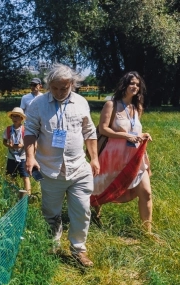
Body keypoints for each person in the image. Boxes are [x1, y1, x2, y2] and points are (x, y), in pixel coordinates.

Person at [24, 63, 99, 267]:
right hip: (50, 170)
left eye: (63, 88)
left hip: (79, 169)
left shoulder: (81, 102)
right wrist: (30, 157)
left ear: (72, 85)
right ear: (49, 85)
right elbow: (30, 131)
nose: (58, 92)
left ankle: (78, 250)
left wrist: (94, 158)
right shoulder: (38, 104)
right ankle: (52, 246)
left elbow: (89, 132)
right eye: (54, 88)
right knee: (51, 213)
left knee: (82, 210)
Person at [91, 71, 153, 233]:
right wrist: (126, 135)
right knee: (100, 189)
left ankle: (147, 232)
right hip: (112, 157)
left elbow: (135, 130)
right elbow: (103, 129)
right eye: (132, 83)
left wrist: (142, 137)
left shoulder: (137, 107)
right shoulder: (111, 104)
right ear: (124, 85)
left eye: (138, 85)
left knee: (146, 193)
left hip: (134, 157)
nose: (135, 87)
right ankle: (94, 213)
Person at [3, 107, 31, 199]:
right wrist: (9, 145)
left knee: (25, 177)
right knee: (11, 177)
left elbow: (29, 143)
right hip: (11, 157)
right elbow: (4, 141)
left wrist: (22, 145)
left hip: (22, 157)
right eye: (13, 116)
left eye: (17, 117)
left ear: (22, 118)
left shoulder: (25, 130)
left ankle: (28, 196)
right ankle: (12, 194)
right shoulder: (8, 129)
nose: (15, 118)